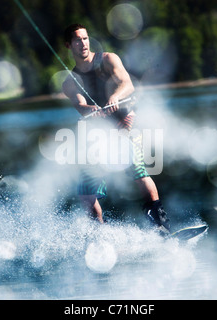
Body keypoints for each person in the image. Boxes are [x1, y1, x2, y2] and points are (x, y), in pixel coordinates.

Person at [62, 23, 170, 235]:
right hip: (96, 135)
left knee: (139, 172)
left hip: (124, 125)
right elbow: (79, 104)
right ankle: (101, 236)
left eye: (85, 38)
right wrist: (88, 108)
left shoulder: (108, 59)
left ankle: (161, 226)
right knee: (86, 194)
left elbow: (127, 84)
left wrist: (115, 97)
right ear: (69, 45)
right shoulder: (69, 81)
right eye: (77, 40)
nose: (82, 43)